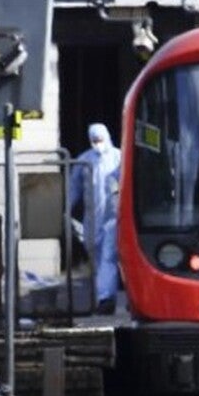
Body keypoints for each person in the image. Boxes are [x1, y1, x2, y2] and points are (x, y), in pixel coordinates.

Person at [69, 123, 122, 315]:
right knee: (96, 259)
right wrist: (66, 208)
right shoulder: (85, 161)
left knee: (108, 256)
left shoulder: (119, 158)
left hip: (112, 218)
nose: (97, 144)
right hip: (91, 219)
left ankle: (106, 298)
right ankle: (104, 295)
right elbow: (73, 188)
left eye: (100, 140)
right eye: (94, 141)